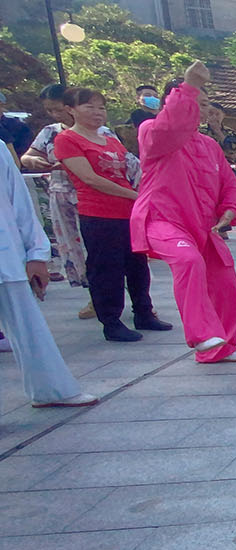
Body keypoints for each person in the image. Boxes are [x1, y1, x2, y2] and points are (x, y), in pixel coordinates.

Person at [133, 64, 236, 363]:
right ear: (171, 104)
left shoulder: (210, 146)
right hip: (163, 220)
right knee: (188, 261)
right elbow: (170, 128)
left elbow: (228, 183)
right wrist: (188, 86)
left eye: (204, 104)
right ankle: (201, 335)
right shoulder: (152, 133)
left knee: (225, 283)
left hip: (203, 228)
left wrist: (229, 210)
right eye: (193, 104)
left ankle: (220, 348)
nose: (200, 111)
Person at [54, 87, 171, 343]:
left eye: (101, 107)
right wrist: (134, 196)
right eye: (90, 107)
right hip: (98, 215)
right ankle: (111, 321)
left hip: (128, 214)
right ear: (70, 110)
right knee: (108, 269)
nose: (97, 113)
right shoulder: (67, 140)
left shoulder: (110, 140)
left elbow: (131, 168)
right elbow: (89, 178)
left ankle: (143, 312)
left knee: (137, 265)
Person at [0, 148, 98, 410]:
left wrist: (36, 253)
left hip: (6, 251)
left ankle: (51, 389)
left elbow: (19, 203)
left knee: (28, 328)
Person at [21, 83, 126, 318]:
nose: (56, 115)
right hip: (64, 196)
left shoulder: (103, 133)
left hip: (100, 197)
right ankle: (95, 296)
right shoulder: (50, 132)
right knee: (78, 248)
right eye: (50, 111)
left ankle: (123, 296)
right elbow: (28, 156)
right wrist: (34, 161)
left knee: (109, 249)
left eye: (59, 109)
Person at [200, 101, 236, 242]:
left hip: (230, 169)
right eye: (211, 113)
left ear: (224, 115)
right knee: (215, 200)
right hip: (208, 170)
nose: (214, 117)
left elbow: (231, 149)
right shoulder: (200, 131)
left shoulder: (230, 132)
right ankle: (222, 229)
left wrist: (217, 131)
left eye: (217, 114)